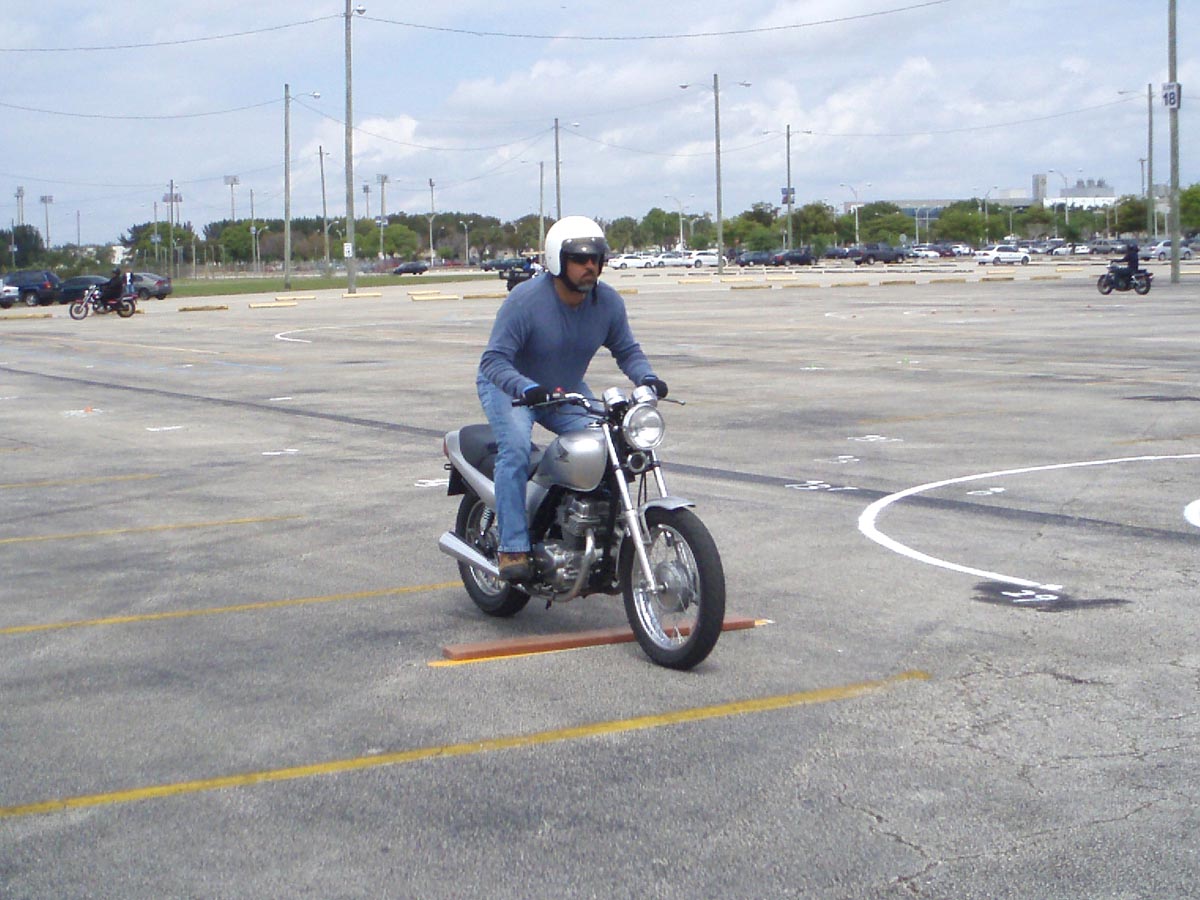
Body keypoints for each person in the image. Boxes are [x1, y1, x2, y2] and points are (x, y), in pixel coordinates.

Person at [476, 216, 668, 582]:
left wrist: (647, 377)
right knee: (515, 449)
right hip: (510, 388)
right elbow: (493, 361)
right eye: (580, 259)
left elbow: (627, 349)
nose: (590, 266)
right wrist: (525, 388)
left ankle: (600, 530)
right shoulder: (526, 301)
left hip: (563, 390)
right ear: (556, 260)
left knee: (611, 442)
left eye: (596, 258)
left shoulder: (607, 303)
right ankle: (513, 547)